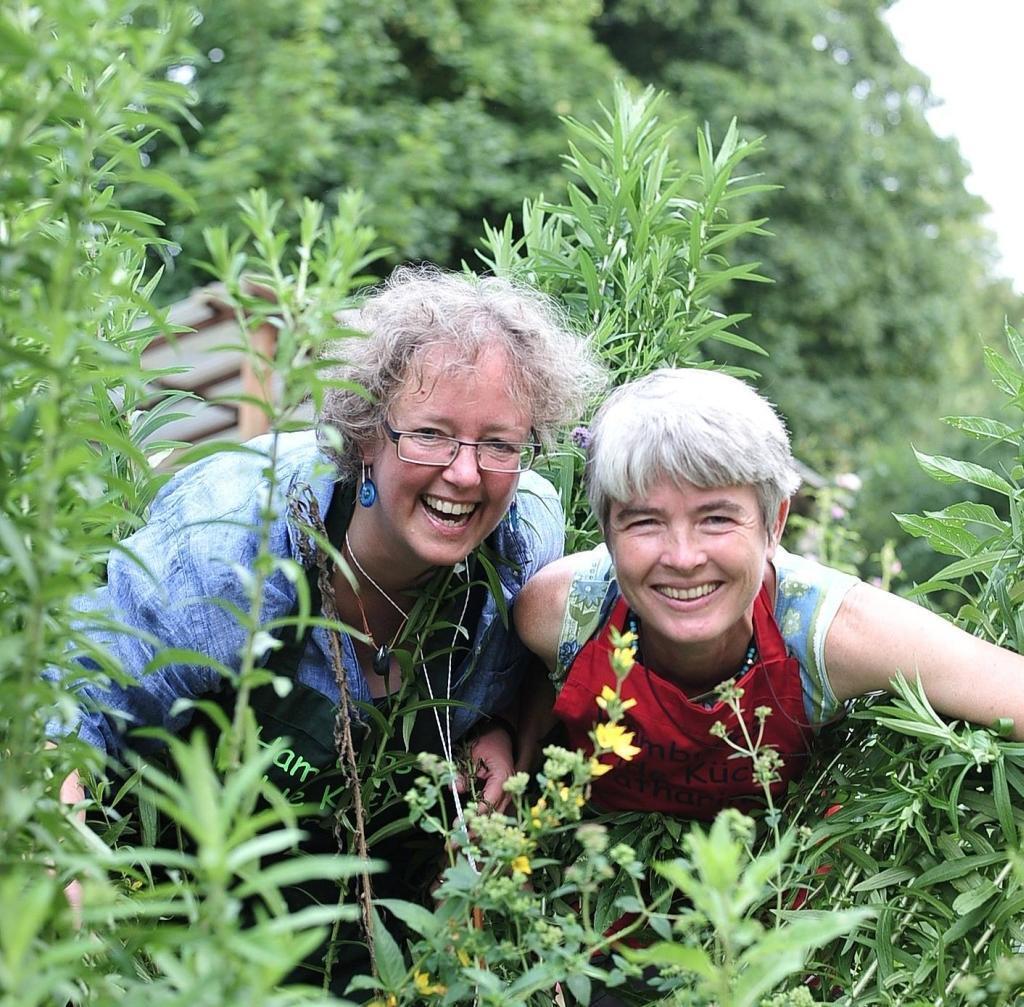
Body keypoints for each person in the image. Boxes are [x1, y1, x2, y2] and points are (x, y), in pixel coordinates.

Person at [53, 264, 604, 990]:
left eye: (499, 443)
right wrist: (77, 935)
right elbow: (68, 715)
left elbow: (554, 658)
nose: (466, 475)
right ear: (366, 434)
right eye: (431, 435)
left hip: (361, 945)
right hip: (158, 909)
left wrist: (502, 731)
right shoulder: (230, 545)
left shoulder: (521, 540)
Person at [514, 367, 1024, 820]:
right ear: (607, 531)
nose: (684, 556)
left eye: (716, 519)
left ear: (774, 523)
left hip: (786, 909)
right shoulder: (560, 615)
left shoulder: (828, 631)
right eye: (644, 522)